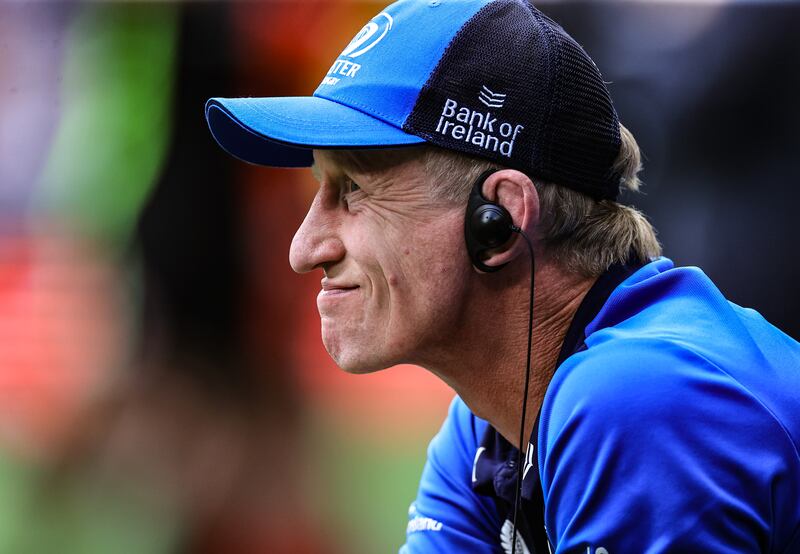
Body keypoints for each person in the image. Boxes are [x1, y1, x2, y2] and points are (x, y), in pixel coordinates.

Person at [205, 0, 800, 552]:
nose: (304, 249)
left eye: (354, 189)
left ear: (500, 219)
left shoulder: (638, 400)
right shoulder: (488, 427)